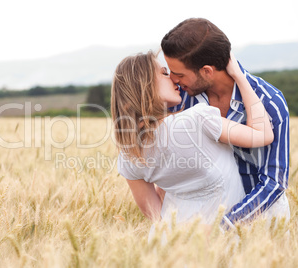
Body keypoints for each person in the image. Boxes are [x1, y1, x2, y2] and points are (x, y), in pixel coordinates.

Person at [112, 51, 274, 229]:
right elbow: (263, 134)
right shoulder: (197, 118)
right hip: (225, 240)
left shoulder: (128, 155)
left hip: (177, 245)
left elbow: (157, 215)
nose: (174, 79)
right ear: (145, 86)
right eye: (164, 73)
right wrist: (240, 76)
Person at [161, 18, 290, 229]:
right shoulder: (182, 99)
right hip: (199, 222)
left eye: (179, 73)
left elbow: (274, 182)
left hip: (261, 223)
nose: (174, 79)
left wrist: (225, 225)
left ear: (207, 71)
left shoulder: (270, 102)